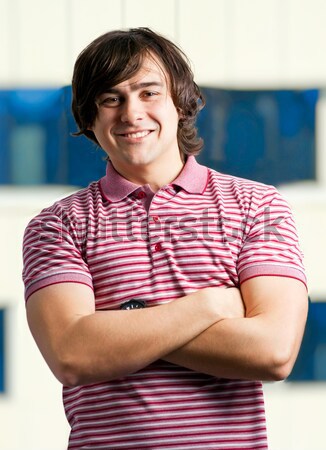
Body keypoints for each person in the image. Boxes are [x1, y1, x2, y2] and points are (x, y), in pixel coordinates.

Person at [23, 28, 308, 449]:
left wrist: (120, 321)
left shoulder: (258, 207)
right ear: (89, 117)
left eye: (148, 92)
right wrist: (210, 305)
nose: (131, 113)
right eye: (110, 98)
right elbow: (72, 355)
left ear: (181, 102)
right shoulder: (56, 225)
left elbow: (273, 352)